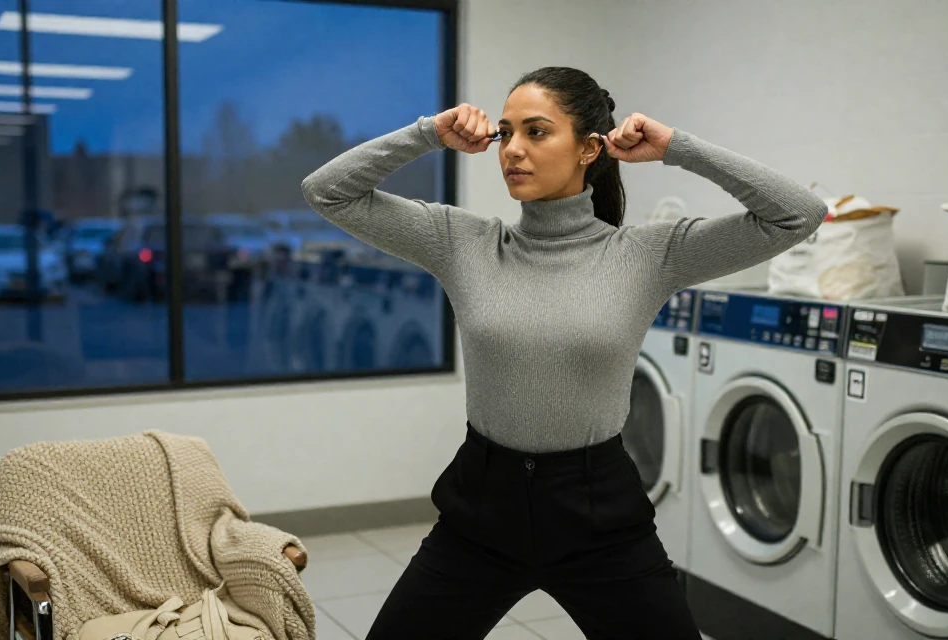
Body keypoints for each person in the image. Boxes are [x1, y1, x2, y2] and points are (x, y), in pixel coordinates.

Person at [301, 66, 826, 639]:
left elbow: (797, 214)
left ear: (589, 149)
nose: (513, 151)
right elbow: (326, 191)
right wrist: (429, 133)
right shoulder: (464, 243)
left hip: (598, 517)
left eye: (537, 132)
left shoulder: (648, 255)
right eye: (506, 133)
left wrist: (678, 147)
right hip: (482, 511)